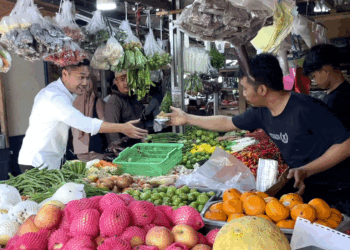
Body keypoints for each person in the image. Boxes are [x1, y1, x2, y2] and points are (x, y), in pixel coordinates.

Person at [166, 54, 350, 214]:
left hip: (336, 187)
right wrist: (187, 118)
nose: (243, 93)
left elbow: (346, 145)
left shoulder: (307, 108)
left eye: (245, 88)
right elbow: (227, 122)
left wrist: (307, 169)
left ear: (262, 90)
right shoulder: (261, 111)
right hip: (304, 184)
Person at [18, 60, 147, 172]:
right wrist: (122, 128)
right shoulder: (54, 97)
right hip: (36, 163)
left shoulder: (61, 93)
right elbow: (85, 124)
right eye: (81, 77)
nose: (85, 83)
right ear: (65, 74)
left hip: (47, 161)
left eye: (87, 78)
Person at [303, 44, 350, 130]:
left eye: (313, 76)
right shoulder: (346, 90)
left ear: (325, 71)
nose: (314, 81)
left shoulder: (335, 102)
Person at [71, 73, 108, 162]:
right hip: (95, 147)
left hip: (79, 148)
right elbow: (104, 124)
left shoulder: (73, 101)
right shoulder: (97, 101)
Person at [104, 70, 145, 146]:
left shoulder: (133, 98)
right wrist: (118, 148)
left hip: (137, 145)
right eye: (122, 80)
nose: (126, 83)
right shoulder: (114, 101)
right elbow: (112, 130)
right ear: (116, 82)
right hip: (125, 148)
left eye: (129, 79)